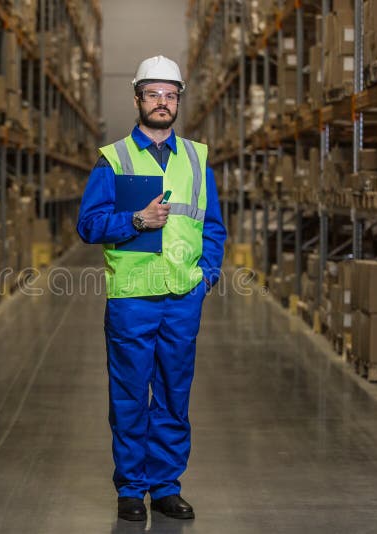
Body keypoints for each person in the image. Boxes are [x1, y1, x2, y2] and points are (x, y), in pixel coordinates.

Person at [76, 55, 227, 522]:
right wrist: (136, 220)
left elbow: (213, 226)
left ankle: (165, 486)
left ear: (178, 99)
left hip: (183, 297)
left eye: (170, 94)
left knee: (173, 394)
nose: (162, 103)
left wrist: (207, 276)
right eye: (153, 94)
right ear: (138, 98)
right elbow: (88, 224)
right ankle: (130, 488)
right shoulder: (114, 159)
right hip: (132, 298)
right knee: (128, 395)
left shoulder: (198, 158)